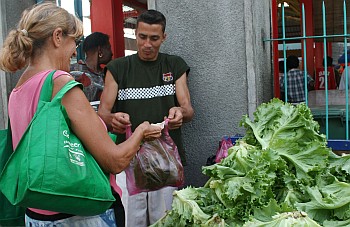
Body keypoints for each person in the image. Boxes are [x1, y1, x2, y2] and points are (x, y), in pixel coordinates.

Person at [0, 3, 162, 226]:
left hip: (36, 215)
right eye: (74, 42)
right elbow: (115, 161)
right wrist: (141, 132)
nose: (75, 51)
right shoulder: (60, 84)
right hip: (78, 214)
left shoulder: (18, 88)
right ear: (57, 37)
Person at [98, 9, 194, 226]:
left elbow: (188, 109)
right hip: (127, 158)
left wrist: (180, 114)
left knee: (165, 220)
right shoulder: (118, 68)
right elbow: (102, 113)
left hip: (166, 160)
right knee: (132, 219)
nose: (147, 44)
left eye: (154, 38)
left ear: (164, 37)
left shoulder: (174, 65)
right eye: (142, 37)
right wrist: (113, 119)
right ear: (135, 34)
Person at [70, 32, 113, 102]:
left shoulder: (107, 74)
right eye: (108, 48)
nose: (111, 53)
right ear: (100, 50)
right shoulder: (73, 72)